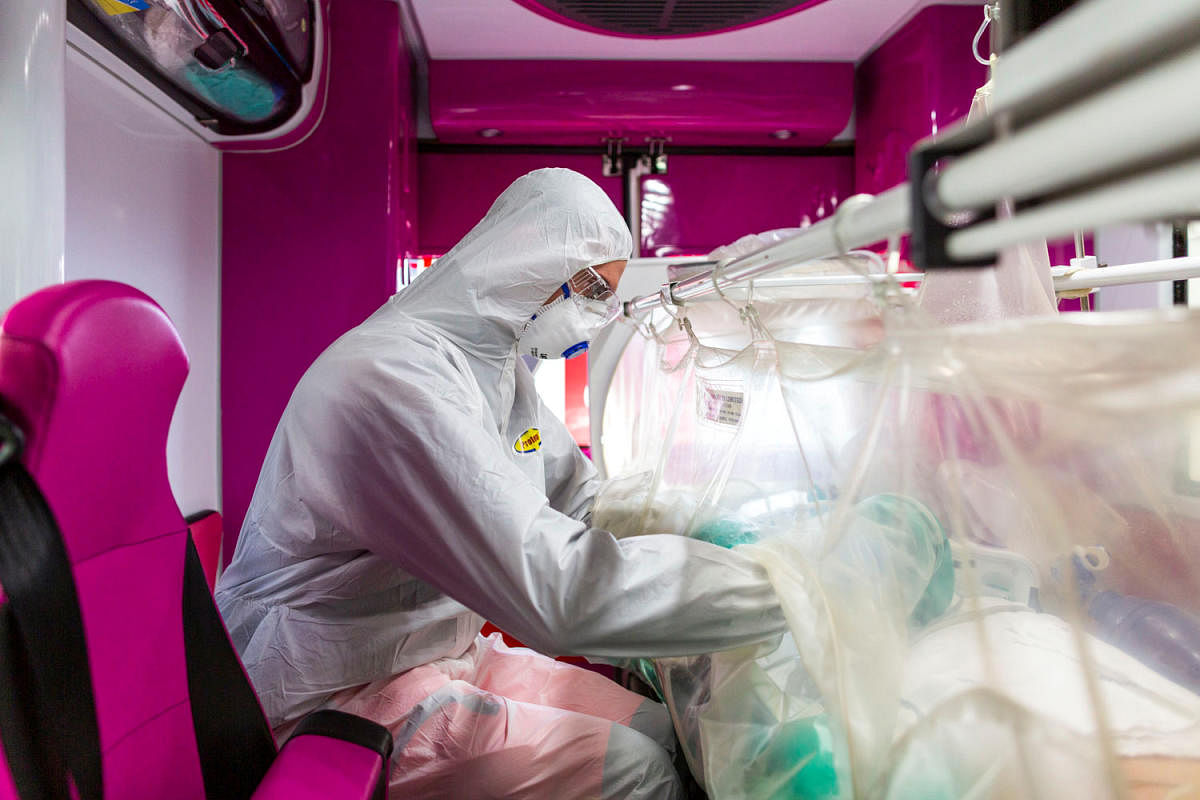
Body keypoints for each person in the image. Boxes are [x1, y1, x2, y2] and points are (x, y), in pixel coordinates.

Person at [215, 168, 786, 798]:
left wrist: (710, 529)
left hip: (434, 654)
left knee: (660, 727)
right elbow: (554, 593)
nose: (596, 315)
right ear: (523, 260)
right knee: (639, 773)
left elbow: (585, 504)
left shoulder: (500, 374)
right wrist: (784, 591)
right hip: (328, 691)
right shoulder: (390, 379)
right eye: (592, 287)